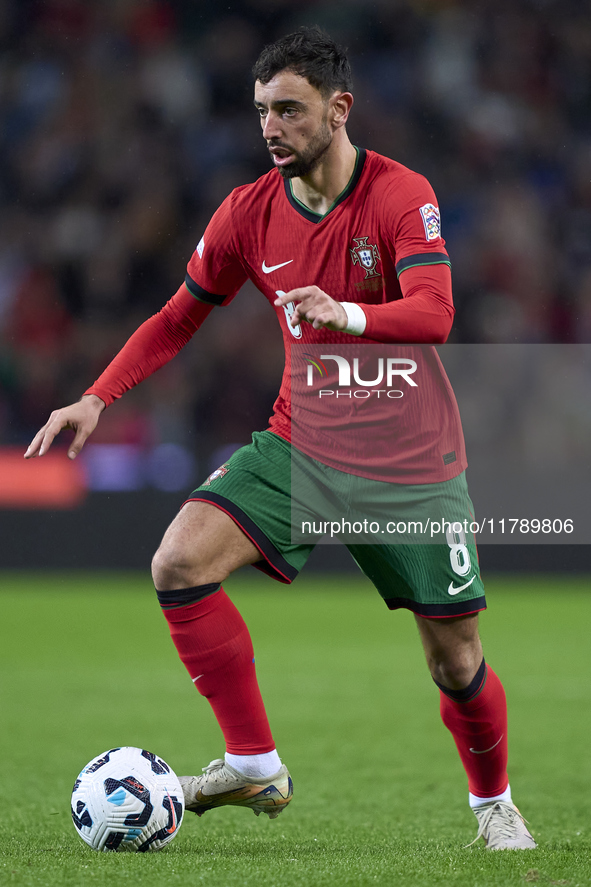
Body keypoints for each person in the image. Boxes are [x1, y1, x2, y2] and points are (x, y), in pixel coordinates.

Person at [25, 27, 536, 850]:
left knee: (456, 659)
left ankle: (493, 804)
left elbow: (435, 313)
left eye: (290, 111)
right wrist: (96, 396)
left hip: (411, 467)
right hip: (302, 446)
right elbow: (178, 315)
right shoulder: (247, 211)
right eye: (262, 110)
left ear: (339, 110)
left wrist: (351, 314)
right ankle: (254, 761)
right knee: (178, 560)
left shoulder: (401, 194)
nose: (271, 127)